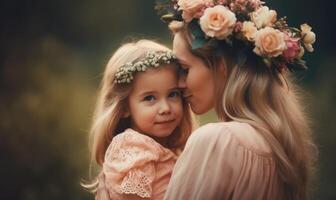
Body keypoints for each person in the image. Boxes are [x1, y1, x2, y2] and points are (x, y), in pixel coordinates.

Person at [155, 0, 318, 199]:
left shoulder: (217, 141)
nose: (179, 83)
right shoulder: (281, 146)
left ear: (221, 65)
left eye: (185, 69)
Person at [83, 39, 195, 200]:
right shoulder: (133, 148)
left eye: (173, 94)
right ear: (124, 108)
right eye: (150, 98)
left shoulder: (161, 148)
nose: (165, 108)